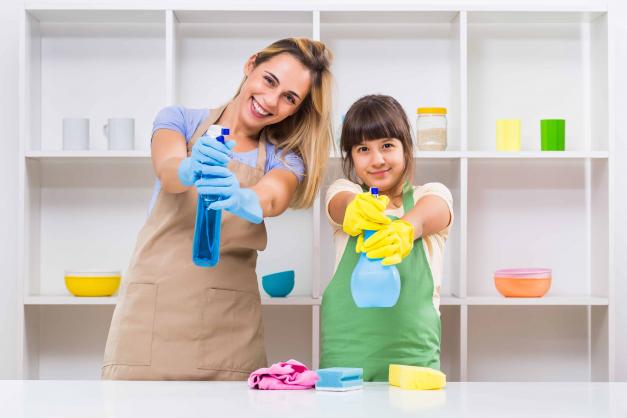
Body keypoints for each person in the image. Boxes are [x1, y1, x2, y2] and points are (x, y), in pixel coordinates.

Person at [102, 38, 333, 380]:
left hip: (228, 327)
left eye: (289, 98)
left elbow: (273, 196)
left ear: (296, 109)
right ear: (251, 64)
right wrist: (188, 167)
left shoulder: (283, 157)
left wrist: (243, 198)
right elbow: (168, 169)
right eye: (269, 80)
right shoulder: (179, 119)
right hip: (150, 315)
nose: (271, 101)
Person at [321, 95, 453, 381]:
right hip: (346, 364)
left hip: (414, 364)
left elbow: (437, 208)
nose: (377, 159)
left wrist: (407, 227)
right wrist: (354, 209)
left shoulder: (427, 197)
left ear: (406, 148)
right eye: (363, 149)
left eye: (387, 146)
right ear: (351, 157)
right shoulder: (346, 194)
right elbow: (338, 204)